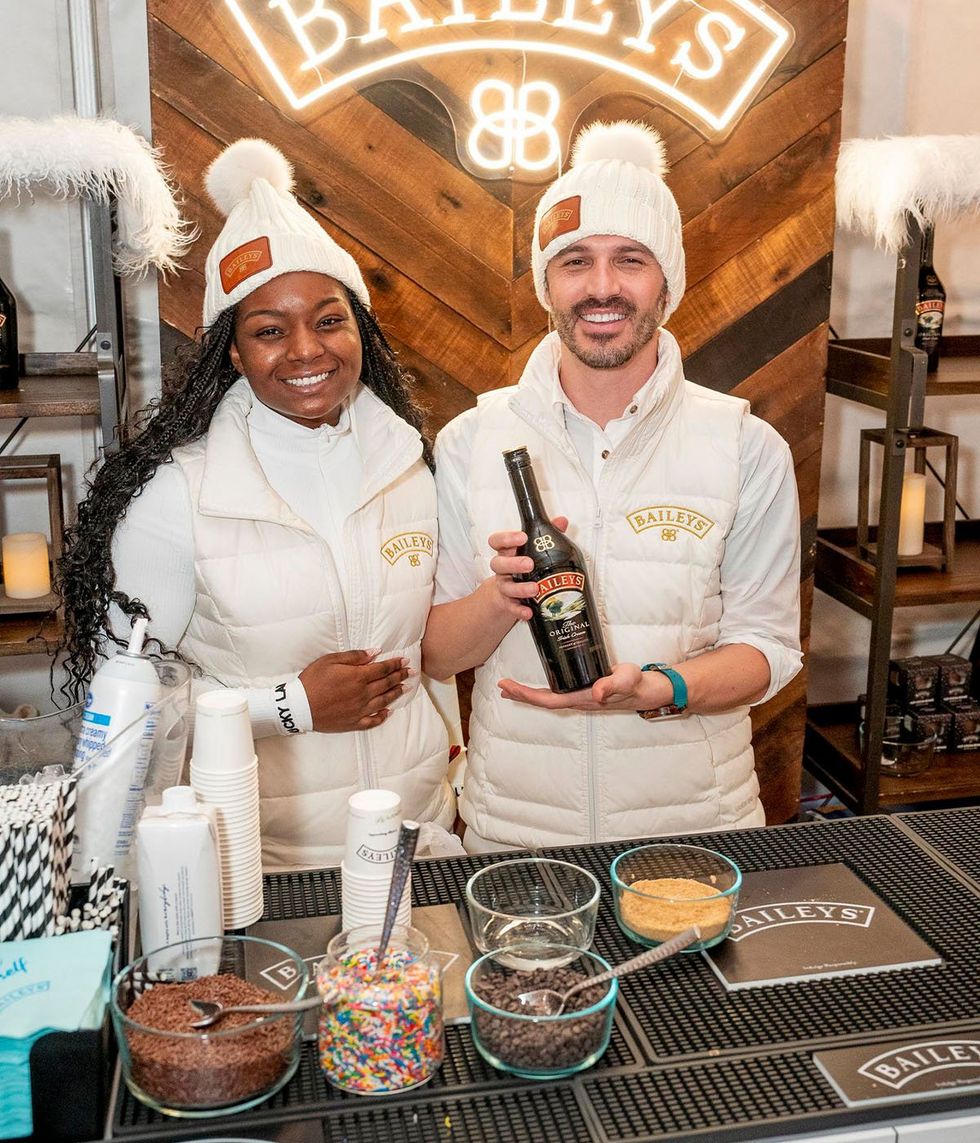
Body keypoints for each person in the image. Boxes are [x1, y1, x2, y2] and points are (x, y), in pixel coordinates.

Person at [58, 138, 455, 870]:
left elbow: (425, 653)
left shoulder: (412, 465)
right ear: (234, 354)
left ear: (360, 329)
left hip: (416, 840)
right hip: (259, 862)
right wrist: (289, 706)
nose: (306, 350)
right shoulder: (177, 492)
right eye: (270, 331)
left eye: (329, 320)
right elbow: (126, 708)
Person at [422, 121, 802, 853]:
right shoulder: (471, 441)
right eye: (575, 261)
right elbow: (437, 654)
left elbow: (768, 649)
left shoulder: (744, 446)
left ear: (668, 281)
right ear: (546, 284)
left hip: (697, 831)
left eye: (630, 259)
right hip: (516, 835)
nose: (602, 287)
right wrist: (500, 598)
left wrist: (661, 687)